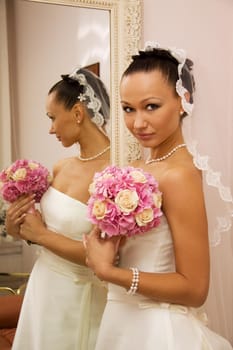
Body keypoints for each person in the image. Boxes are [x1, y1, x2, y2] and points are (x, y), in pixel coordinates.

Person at [84, 44, 233, 349]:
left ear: (183, 102)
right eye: (128, 108)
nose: (138, 123)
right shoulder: (138, 168)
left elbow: (195, 289)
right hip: (120, 323)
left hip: (156, 332)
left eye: (151, 106)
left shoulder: (180, 174)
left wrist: (110, 272)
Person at [6, 67, 110, 350]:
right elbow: (45, 230)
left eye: (52, 118)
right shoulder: (61, 167)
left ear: (77, 113)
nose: (50, 128)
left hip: (78, 297)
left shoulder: (115, 173)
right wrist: (19, 229)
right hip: (43, 286)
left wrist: (39, 235)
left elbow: (107, 257)